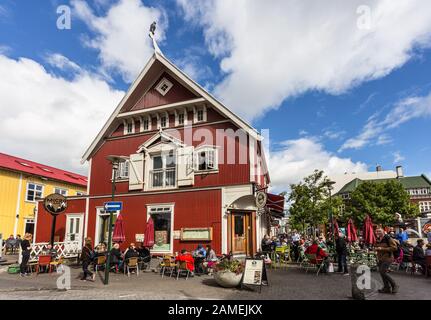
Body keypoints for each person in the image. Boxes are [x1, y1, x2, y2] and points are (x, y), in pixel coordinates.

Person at [375, 228, 398, 294]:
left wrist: (382, 249)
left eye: (379, 231)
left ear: (383, 232)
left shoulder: (388, 238)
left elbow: (394, 247)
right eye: (377, 231)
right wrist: (376, 249)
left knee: (383, 272)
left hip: (388, 258)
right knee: (382, 273)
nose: (378, 232)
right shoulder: (378, 239)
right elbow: (377, 247)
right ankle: (386, 288)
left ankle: (394, 285)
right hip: (380, 258)